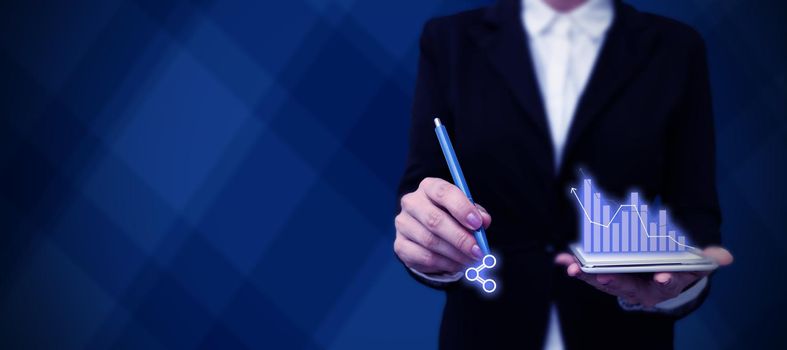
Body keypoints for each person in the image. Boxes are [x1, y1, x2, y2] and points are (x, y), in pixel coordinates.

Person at [393, 0, 734, 348]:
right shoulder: (449, 39)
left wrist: (678, 284)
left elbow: (695, 211)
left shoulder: (676, 48)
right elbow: (422, 192)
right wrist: (430, 244)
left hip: (624, 334)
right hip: (486, 331)